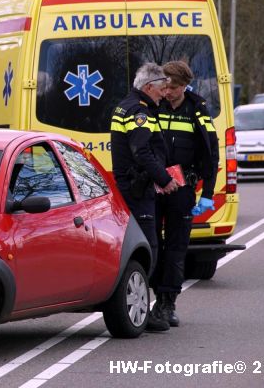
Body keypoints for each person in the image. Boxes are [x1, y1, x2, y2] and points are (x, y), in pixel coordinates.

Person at [110, 62, 180, 332]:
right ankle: (134, 309)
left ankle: (132, 308)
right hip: (138, 190)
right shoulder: (139, 112)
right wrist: (164, 179)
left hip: (132, 187)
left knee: (138, 247)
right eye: (162, 88)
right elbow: (141, 152)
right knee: (148, 248)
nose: (165, 93)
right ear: (149, 87)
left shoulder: (125, 105)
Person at [152, 60, 219, 327]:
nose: (169, 92)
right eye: (166, 86)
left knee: (176, 247)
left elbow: (211, 154)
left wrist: (208, 194)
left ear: (185, 86)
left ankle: (168, 303)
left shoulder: (197, 109)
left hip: (182, 190)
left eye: (175, 87)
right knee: (154, 244)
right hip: (155, 186)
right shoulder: (154, 105)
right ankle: (156, 297)